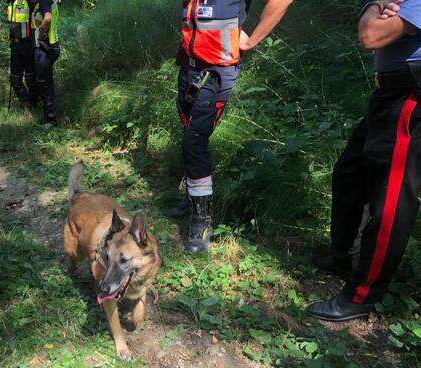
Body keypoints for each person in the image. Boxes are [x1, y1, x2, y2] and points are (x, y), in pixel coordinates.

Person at [307, 0, 420, 322]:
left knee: (392, 198)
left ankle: (362, 295)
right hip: (387, 95)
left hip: (410, 98)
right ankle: (340, 256)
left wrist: (373, 8)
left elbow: (371, 35)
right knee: (349, 173)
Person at [165, 0, 293, 253]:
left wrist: (252, 40)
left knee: (194, 139)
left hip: (216, 72)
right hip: (189, 67)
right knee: (189, 134)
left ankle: (201, 222)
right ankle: (193, 200)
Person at [31, 0, 60, 126]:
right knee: (46, 81)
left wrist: (41, 33)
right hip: (50, 46)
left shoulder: (44, 1)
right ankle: (50, 117)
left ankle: (50, 119)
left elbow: (47, 18)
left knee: (44, 83)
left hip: (46, 47)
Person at [7, 0, 39, 107]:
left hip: (27, 44)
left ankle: (33, 103)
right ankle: (25, 103)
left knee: (31, 79)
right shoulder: (10, 2)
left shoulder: (29, 2)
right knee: (15, 80)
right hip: (14, 45)